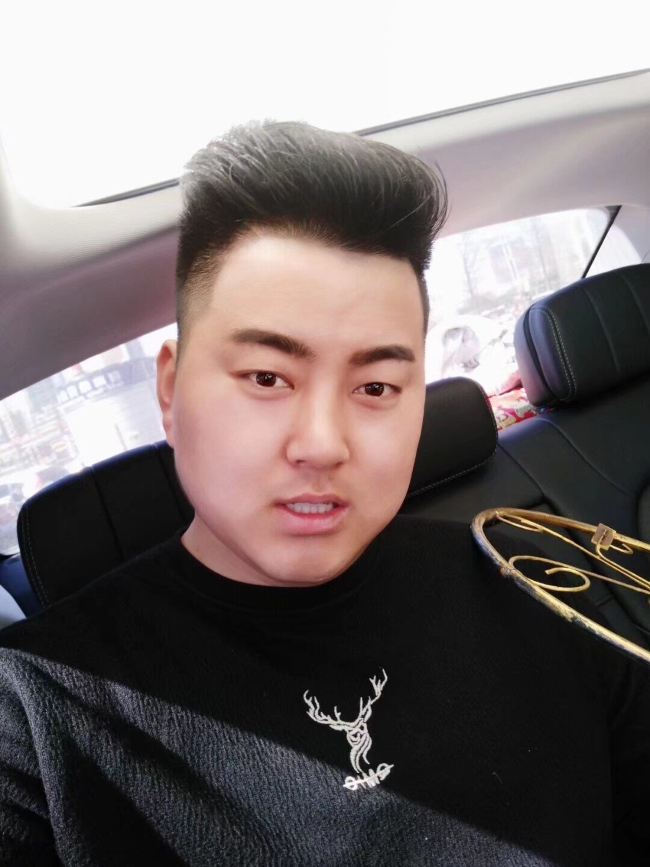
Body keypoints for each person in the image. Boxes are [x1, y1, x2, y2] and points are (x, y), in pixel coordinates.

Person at [0, 121, 648, 867]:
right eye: (267, 377)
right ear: (171, 393)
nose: (322, 443)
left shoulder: (530, 576)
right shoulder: (34, 708)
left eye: (375, 387)